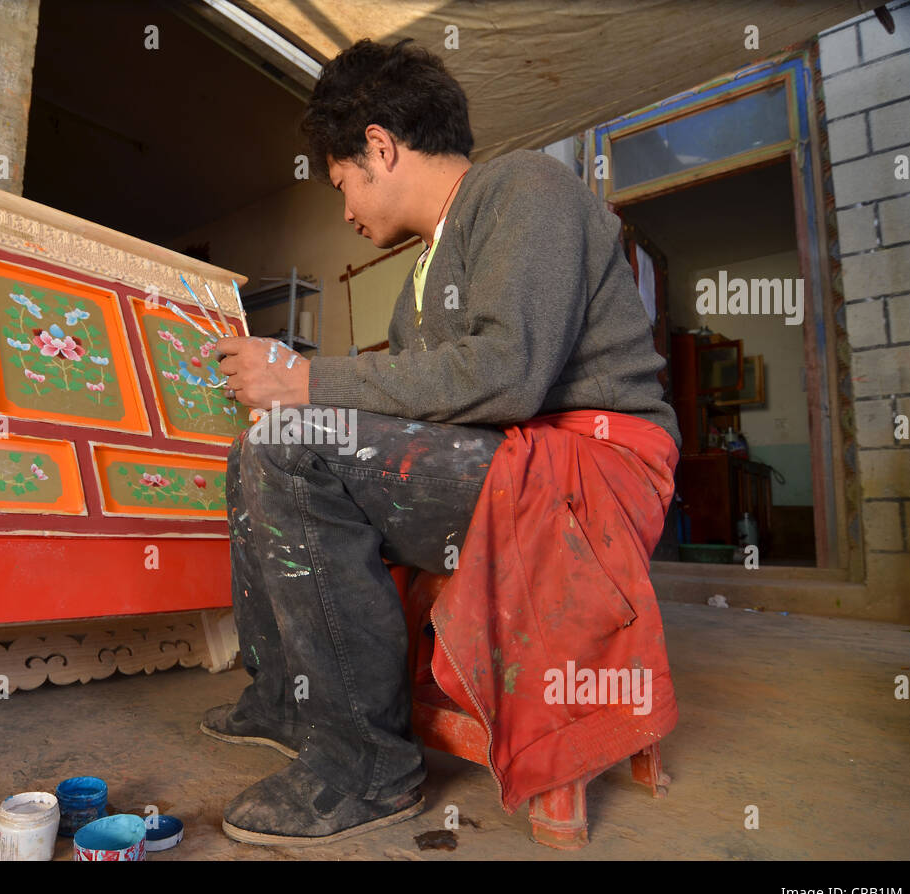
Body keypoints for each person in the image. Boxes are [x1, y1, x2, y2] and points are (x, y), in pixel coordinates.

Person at [208, 37, 680, 847]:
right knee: (256, 450)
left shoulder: (525, 185)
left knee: (294, 440)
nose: (346, 208)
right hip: (508, 458)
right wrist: (302, 399)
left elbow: (509, 374)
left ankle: (366, 767)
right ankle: (287, 696)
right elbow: (430, 404)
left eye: (342, 180)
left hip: (587, 468)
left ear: (381, 147)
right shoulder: (421, 281)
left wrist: (307, 381)